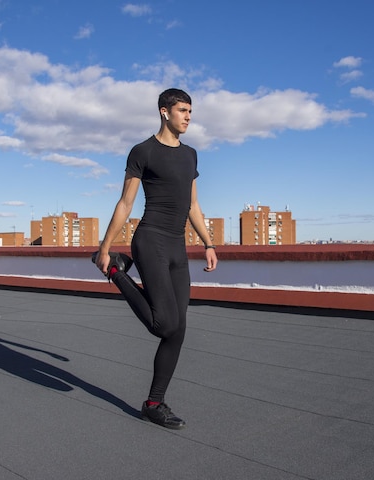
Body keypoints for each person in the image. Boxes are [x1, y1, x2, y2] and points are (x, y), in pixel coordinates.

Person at [92, 88, 217, 429]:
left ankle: (153, 403)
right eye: (182, 110)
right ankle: (117, 271)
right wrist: (105, 248)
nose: (188, 116)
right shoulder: (142, 151)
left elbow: (193, 205)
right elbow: (125, 203)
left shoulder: (190, 155)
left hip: (177, 246)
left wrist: (208, 242)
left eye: (191, 110)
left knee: (178, 330)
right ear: (165, 112)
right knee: (163, 323)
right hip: (149, 241)